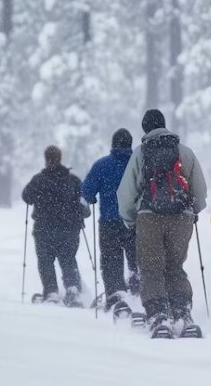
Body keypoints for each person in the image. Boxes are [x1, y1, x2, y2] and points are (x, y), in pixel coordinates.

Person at [117, 109, 208, 332]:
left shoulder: (140, 153)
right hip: (181, 217)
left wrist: (130, 220)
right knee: (175, 266)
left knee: (151, 267)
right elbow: (200, 190)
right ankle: (182, 311)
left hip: (149, 217)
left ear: (145, 128)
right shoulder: (184, 152)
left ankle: (158, 314)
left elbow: (126, 193)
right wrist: (192, 210)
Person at [22, 146, 89, 306]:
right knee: (68, 259)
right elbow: (84, 207)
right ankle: (72, 289)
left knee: (45, 261)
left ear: (46, 160)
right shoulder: (73, 181)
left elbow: (26, 196)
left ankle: (51, 292)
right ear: (60, 159)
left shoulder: (39, 180)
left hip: (44, 230)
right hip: (69, 230)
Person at [82, 128, 139, 309]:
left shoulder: (101, 165)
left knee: (110, 260)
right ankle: (138, 293)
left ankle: (115, 295)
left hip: (109, 221)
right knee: (136, 258)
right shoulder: (137, 164)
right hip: (134, 222)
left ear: (113, 144)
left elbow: (87, 193)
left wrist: (91, 199)